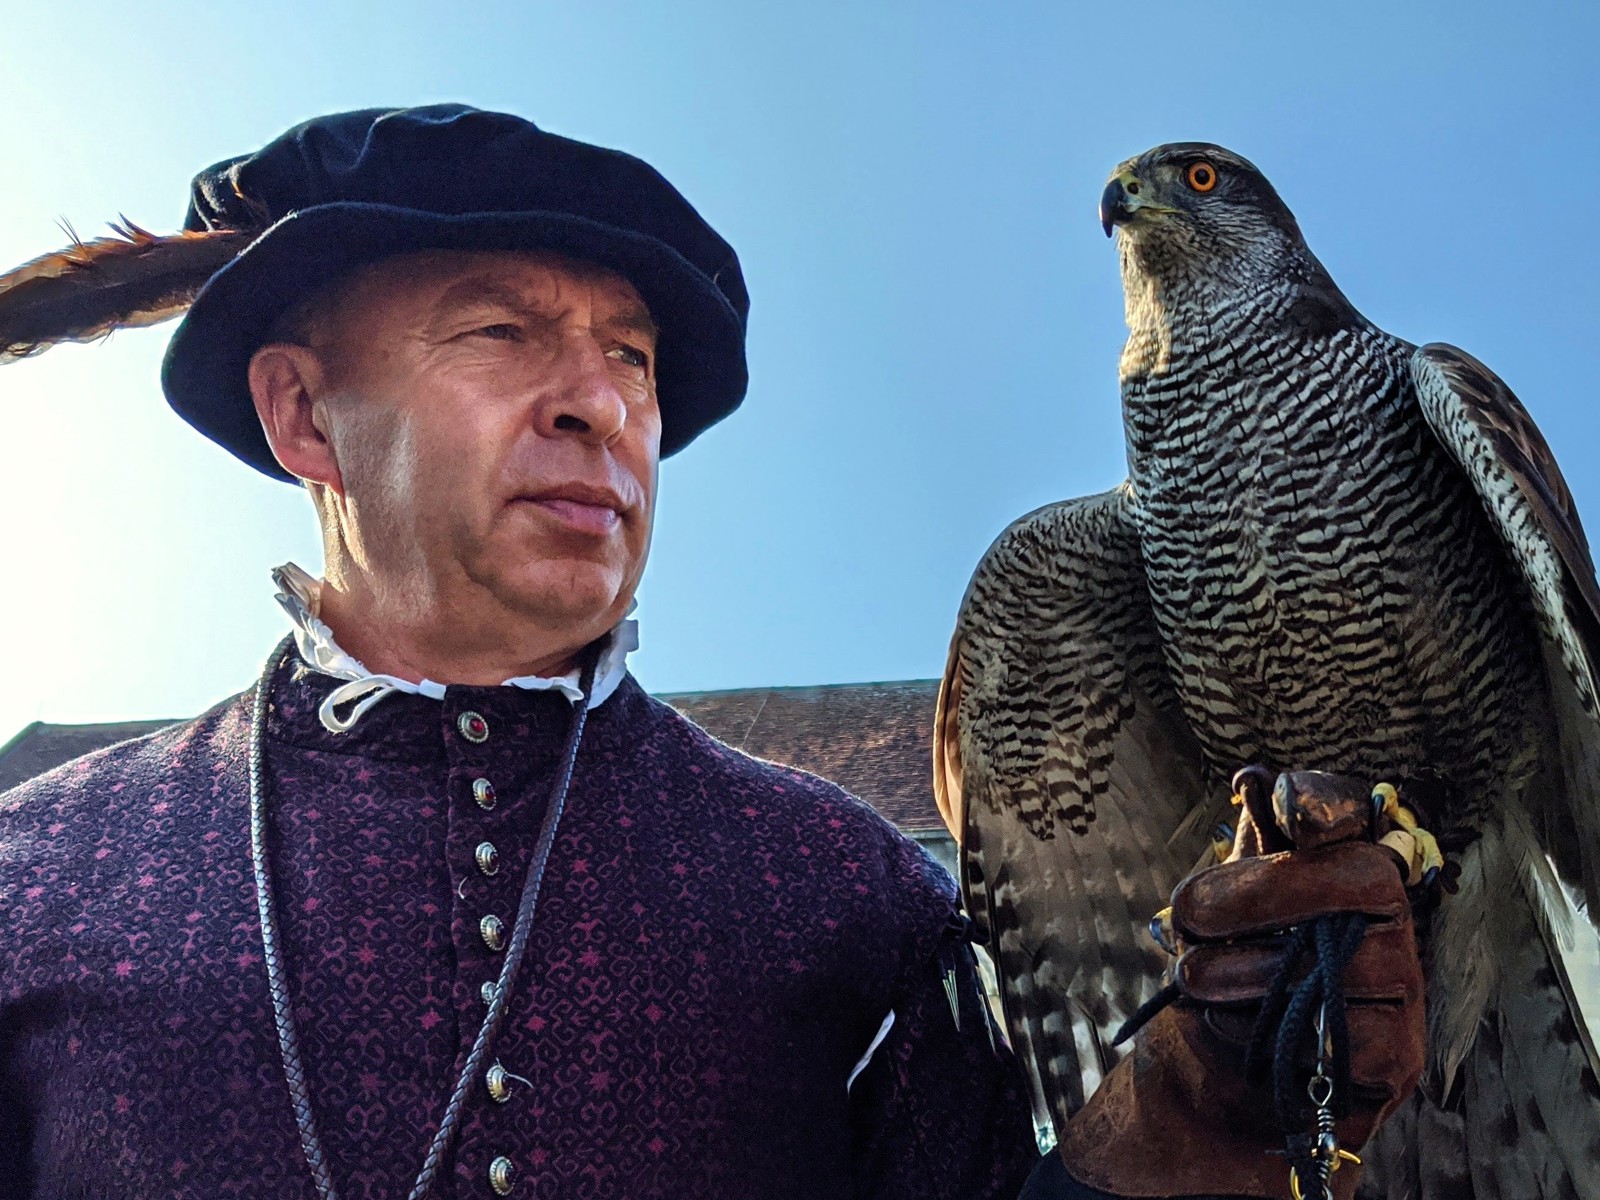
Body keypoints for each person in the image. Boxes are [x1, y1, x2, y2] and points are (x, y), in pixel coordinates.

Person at [0, 104, 1426, 1200]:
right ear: (306, 420)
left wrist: (1188, 1120)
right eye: (502, 333)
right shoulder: (39, 874)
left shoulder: (842, 886)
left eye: (631, 359)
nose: (602, 408)